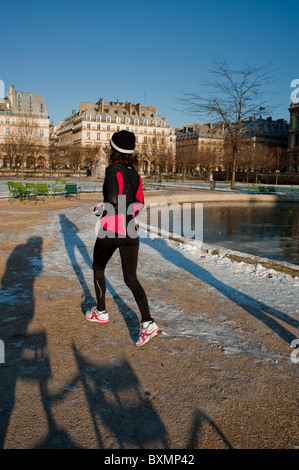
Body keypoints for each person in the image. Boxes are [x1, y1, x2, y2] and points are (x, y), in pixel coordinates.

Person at [86, 130, 161, 347]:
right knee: (131, 278)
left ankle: (101, 312)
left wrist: (100, 209)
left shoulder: (112, 170)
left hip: (111, 228)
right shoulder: (136, 174)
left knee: (98, 268)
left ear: (113, 149)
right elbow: (138, 204)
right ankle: (148, 323)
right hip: (131, 230)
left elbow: (113, 200)